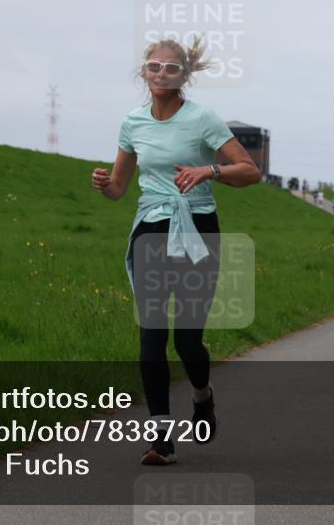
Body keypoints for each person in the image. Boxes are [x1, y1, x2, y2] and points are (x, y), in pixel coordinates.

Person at [92, 37, 261, 465]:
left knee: (187, 340)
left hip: (197, 230)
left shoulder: (202, 119)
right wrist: (105, 186)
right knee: (151, 333)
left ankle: (203, 398)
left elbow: (250, 171)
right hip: (151, 227)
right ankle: (161, 437)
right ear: (143, 73)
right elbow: (119, 187)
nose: (161, 73)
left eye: (170, 68)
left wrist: (210, 170)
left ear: (183, 75)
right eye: (153, 66)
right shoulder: (132, 122)